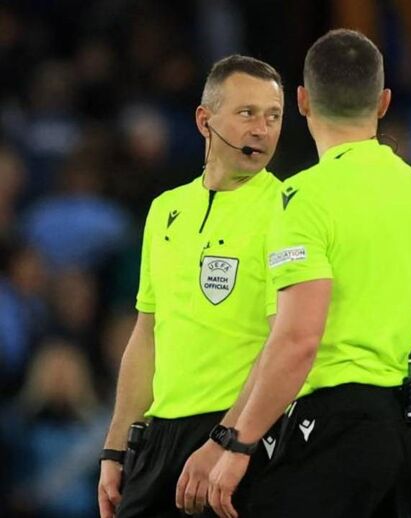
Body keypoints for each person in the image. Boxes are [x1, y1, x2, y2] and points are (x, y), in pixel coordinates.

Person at [206, 29, 411, 518]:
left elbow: (298, 338)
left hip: (335, 428)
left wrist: (237, 444)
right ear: (382, 102)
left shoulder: (303, 198)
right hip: (406, 427)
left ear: (301, 101)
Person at [97, 55, 284, 518]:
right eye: (247, 113)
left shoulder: (288, 210)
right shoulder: (165, 210)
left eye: (274, 116)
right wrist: (115, 448)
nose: (262, 129)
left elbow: (285, 340)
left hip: (237, 438)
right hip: (159, 436)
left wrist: (229, 438)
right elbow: (147, 334)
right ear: (205, 120)